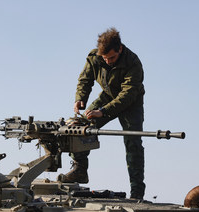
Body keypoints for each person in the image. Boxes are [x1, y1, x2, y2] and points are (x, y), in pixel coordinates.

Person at [57, 28, 146, 200]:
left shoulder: (133, 63)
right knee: (78, 127)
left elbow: (127, 95)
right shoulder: (95, 57)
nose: (108, 61)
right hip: (107, 97)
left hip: (131, 103)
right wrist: (80, 98)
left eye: (111, 57)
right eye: (104, 58)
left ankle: (137, 191)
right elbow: (85, 79)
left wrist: (103, 112)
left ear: (120, 49)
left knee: (132, 141)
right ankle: (80, 169)